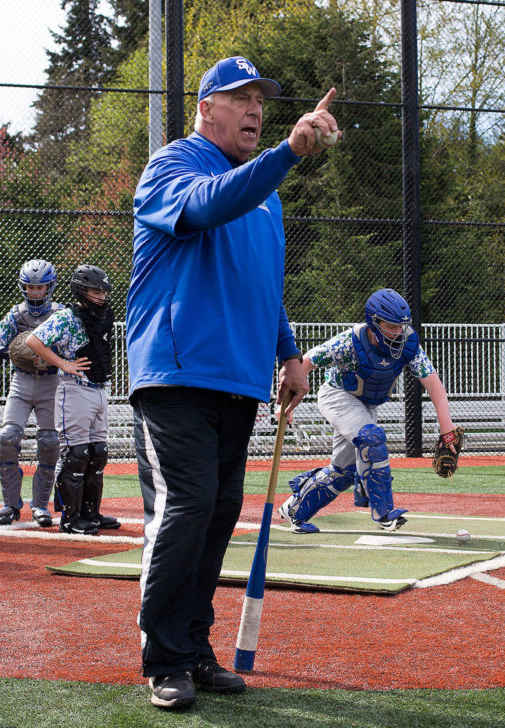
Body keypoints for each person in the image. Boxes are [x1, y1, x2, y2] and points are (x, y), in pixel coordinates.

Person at [126, 56, 342, 710]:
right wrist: (288, 152)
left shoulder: (264, 195)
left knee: (217, 515)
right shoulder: (173, 165)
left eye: (261, 100)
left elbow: (261, 283)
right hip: (176, 371)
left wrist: (289, 354)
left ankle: (193, 648)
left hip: (238, 380)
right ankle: (164, 657)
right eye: (240, 98)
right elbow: (205, 207)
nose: (254, 110)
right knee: (186, 507)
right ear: (206, 108)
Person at [278, 288, 457, 533]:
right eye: (391, 326)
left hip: (365, 405)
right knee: (372, 439)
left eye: (401, 326)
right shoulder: (348, 342)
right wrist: (284, 406)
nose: (398, 332)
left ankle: (294, 510)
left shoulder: (409, 345)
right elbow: (305, 362)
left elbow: (433, 382)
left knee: (343, 472)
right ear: (374, 322)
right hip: (337, 396)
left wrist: (447, 430)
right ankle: (383, 513)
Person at [25, 264, 120, 536]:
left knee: (97, 454)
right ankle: (70, 519)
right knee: (77, 454)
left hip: (99, 389)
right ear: (81, 290)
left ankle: (91, 513)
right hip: (74, 389)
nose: (101, 296)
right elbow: (34, 340)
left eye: (103, 291)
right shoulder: (67, 316)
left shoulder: (101, 316)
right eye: (95, 291)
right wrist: (63, 364)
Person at [0, 259, 63, 527]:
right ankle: (10, 504)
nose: (35, 292)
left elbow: (73, 348)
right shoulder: (15, 315)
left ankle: (41, 505)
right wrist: (20, 351)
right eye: (30, 287)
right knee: (8, 438)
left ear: (49, 287)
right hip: (21, 381)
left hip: (51, 383)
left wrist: (50, 355)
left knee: (50, 443)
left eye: (40, 287)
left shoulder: (60, 313)